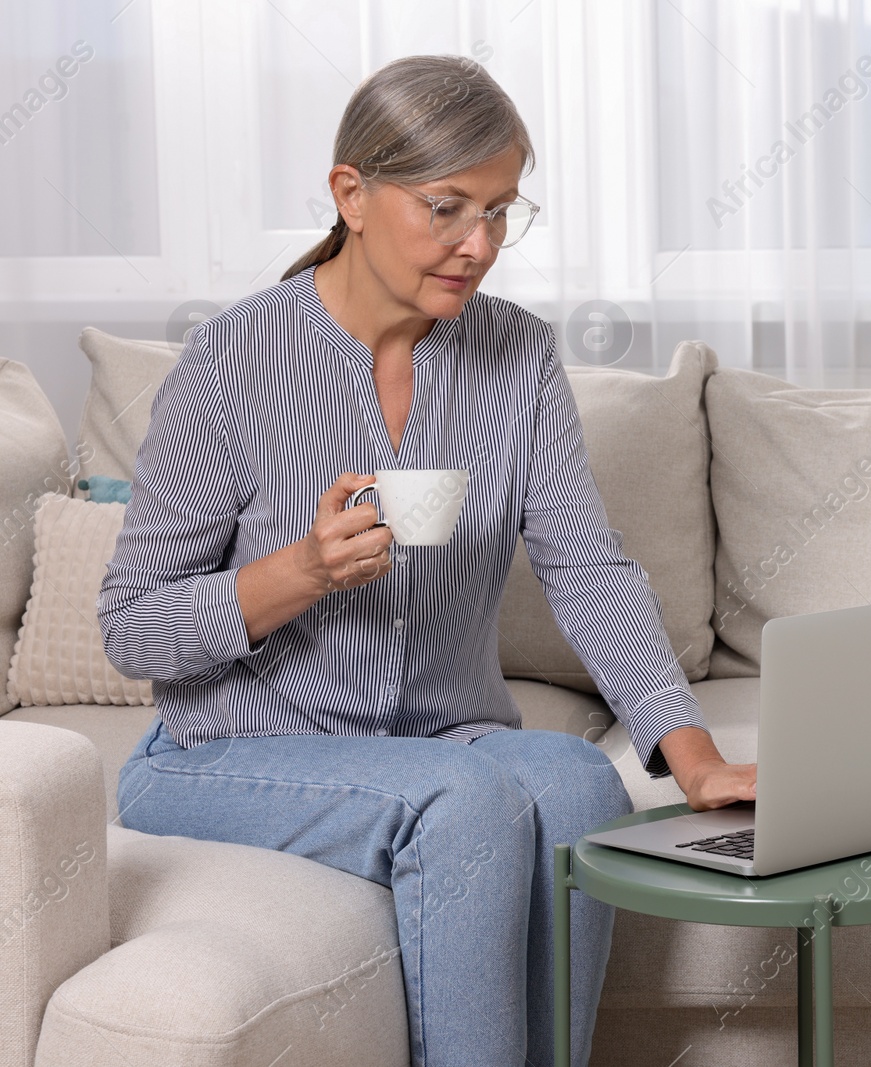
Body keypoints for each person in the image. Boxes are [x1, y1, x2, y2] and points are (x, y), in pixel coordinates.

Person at [100, 54, 755, 1067]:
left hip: (440, 736)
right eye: (448, 208)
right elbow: (132, 622)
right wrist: (301, 571)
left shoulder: (517, 358)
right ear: (351, 195)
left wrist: (692, 752)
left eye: (501, 212)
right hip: (226, 749)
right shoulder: (232, 365)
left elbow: (585, 564)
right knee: (465, 804)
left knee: (579, 780)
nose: (479, 244)